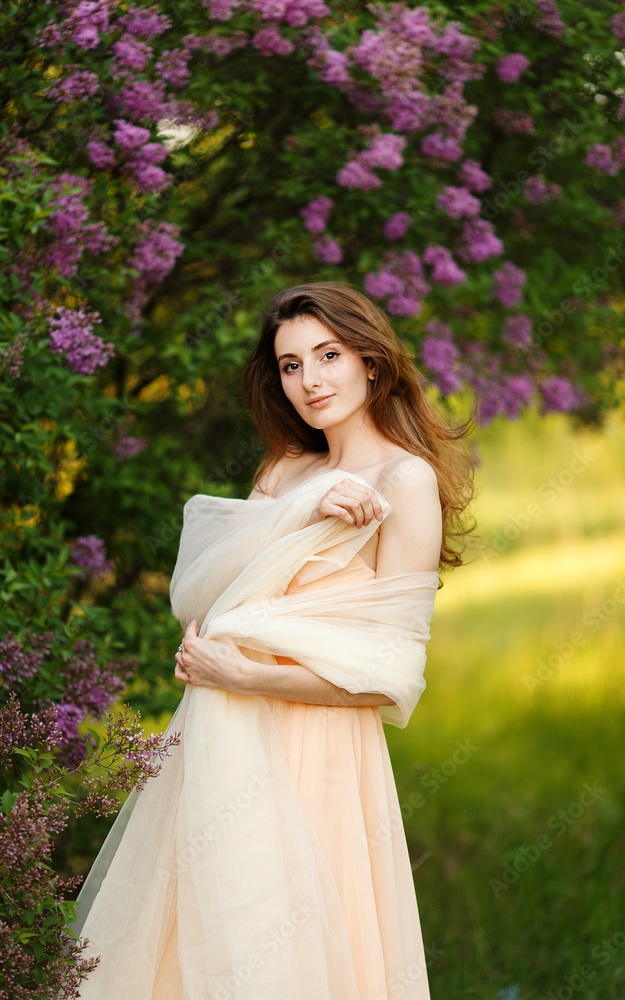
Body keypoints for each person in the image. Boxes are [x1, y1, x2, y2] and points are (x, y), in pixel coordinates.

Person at [67, 280, 474, 1000]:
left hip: (315, 751)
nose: (310, 380)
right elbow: (201, 596)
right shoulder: (285, 471)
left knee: (287, 952)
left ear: (370, 364)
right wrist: (304, 508)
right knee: (202, 937)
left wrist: (248, 677)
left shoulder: (403, 481)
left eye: (328, 355)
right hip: (221, 736)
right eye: (290, 365)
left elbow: (389, 676)